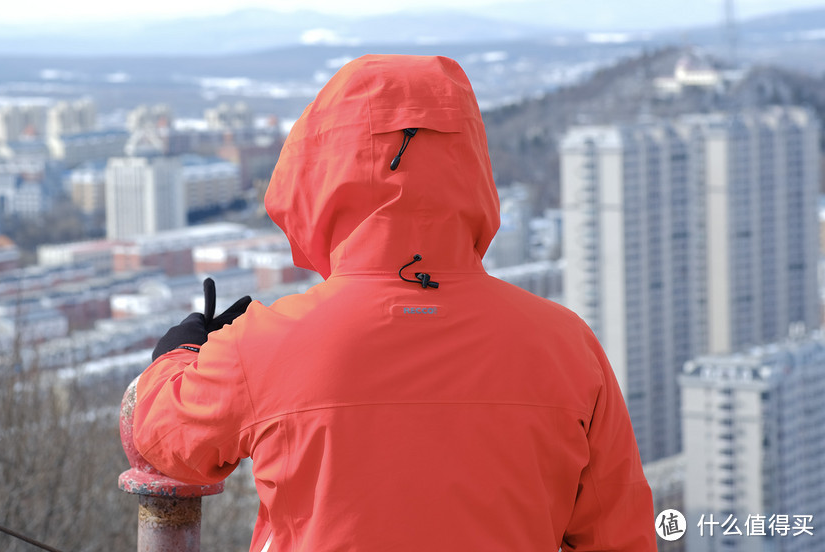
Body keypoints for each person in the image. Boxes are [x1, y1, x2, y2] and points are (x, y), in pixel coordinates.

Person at [133, 54, 656, 551]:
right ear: (471, 165)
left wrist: (176, 355)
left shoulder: (267, 345)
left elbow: (163, 439)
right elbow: (621, 535)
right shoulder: (567, 345)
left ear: (318, 173)